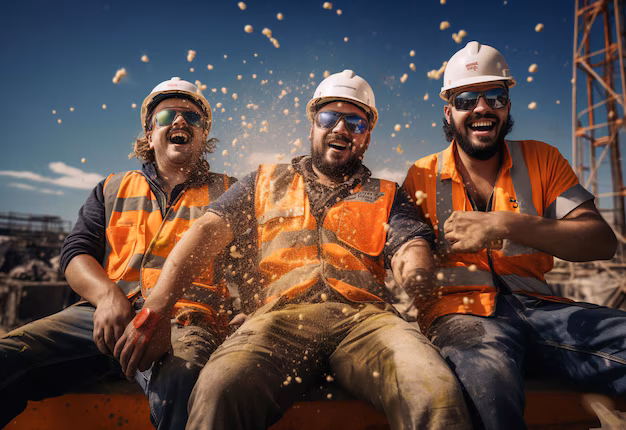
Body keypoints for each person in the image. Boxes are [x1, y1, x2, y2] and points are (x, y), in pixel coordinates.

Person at [114, 69, 471, 429]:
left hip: (367, 322)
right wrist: (156, 310)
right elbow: (205, 234)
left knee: (434, 390)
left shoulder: (387, 193)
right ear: (314, 123)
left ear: (367, 136)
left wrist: (417, 272)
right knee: (219, 389)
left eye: (355, 122)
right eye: (330, 117)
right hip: (278, 320)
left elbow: (409, 244)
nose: (341, 129)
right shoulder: (264, 181)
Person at [402, 41, 626, 430]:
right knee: (487, 383)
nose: (482, 108)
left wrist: (508, 224)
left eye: (495, 96)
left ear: (508, 105)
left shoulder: (543, 160)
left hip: (544, 309)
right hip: (464, 316)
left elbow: (600, 240)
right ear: (448, 111)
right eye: (467, 98)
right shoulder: (420, 175)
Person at [0, 77, 236, 429]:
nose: (181, 122)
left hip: (184, 324)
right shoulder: (112, 188)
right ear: (148, 132)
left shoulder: (230, 192)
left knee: (182, 383)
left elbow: (249, 269)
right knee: (8, 356)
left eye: (193, 118)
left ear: (204, 136)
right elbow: (76, 252)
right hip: (106, 318)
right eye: (167, 114)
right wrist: (107, 295)